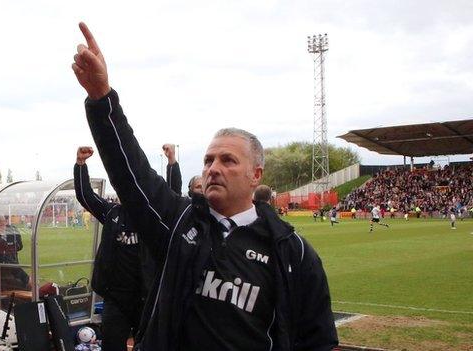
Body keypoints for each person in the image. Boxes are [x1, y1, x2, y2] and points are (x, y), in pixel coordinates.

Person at [72, 22, 337, 351]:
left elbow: (317, 340)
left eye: (228, 160)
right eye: (209, 160)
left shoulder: (291, 252)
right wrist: (101, 98)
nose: (213, 169)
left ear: (256, 175)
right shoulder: (180, 223)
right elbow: (132, 174)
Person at [74, 146, 181, 351]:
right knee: (112, 346)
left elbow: (173, 194)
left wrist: (171, 163)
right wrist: (80, 165)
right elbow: (85, 196)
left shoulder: (154, 217)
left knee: (148, 345)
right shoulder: (112, 213)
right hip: (115, 300)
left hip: (146, 298)